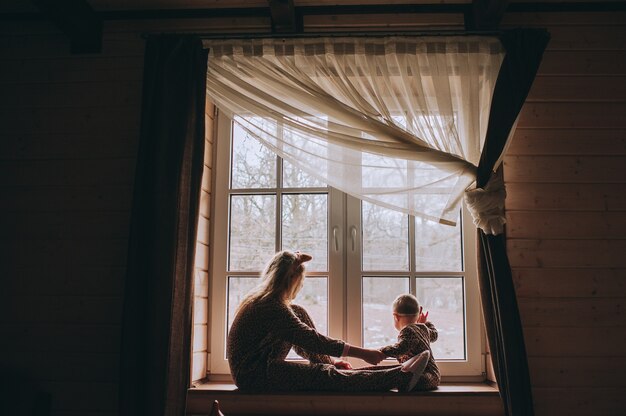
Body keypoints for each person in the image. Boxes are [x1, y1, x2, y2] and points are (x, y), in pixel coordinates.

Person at [227, 250, 430, 392]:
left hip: (262, 365)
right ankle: (402, 376)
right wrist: (363, 353)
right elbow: (308, 338)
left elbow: (302, 339)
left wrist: (330, 361)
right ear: (290, 280)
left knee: (298, 312)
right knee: (323, 375)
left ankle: (402, 372)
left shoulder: (271, 303)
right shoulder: (269, 306)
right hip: (253, 375)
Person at [379, 294, 441, 390]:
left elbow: (400, 349)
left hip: (425, 375)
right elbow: (434, 335)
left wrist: (382, 351)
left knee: (401, 379)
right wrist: (426, 323)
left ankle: (410, 380)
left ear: (396, 317)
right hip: (434, 375)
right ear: (419, 313)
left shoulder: (407, 331)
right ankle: (411, 377)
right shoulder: (423, 328)